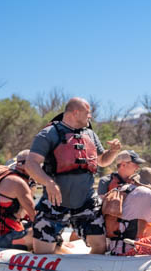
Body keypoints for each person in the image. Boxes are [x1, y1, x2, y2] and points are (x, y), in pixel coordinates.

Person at [24, 97, 122, 254]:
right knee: (43, 252)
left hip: (86, 201)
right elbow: (31, 163)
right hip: (54, 202)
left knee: (100, 246)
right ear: (76, 113)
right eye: (88, 113)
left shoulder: (90, 134)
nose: (90, 117)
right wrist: (49, 183)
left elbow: (102, 161)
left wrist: (114, 152)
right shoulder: (48, 134)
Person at [0, 150, 36, 249]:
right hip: (1, 240)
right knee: (45, 231)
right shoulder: (18, 183)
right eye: (37, 164)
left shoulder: (5, 178)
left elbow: (22, 215)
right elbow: (34, 215)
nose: (39, 168)